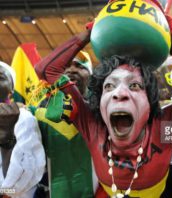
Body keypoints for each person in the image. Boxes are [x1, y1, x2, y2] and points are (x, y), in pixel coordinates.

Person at [34, 8, 172, 198]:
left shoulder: (166, 128)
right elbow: (46, 70)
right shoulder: (92, 126)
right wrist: (92, 30)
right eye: (109, 86)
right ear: (100, 103)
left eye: (135, 85)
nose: (119, 93)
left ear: (150, 101)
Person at [31, 51, 97, 198]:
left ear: (91, 76)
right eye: (66, 66)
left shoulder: (103, 109)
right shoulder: (41, 111)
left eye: (80, 66)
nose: (71, 70)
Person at [0, 61, 45, 198]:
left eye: (0, 77)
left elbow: (30, 167)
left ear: (11, 90)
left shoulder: (23, 117)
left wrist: (6, 192)